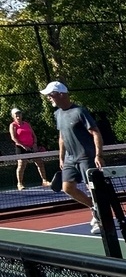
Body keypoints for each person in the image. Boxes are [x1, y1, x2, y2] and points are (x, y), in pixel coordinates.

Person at [39, 81, 103, 234]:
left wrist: (99, 155)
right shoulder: (57, 114)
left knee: (92, 189)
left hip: (86, 157)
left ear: (61, 94)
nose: (49, 98)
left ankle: (100, 219)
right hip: (69, 158)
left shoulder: (80, 111)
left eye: (50, 95)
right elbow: (61, 136)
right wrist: (61, 157)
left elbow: (96, 133)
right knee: (67, 188)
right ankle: (95, 209)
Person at [8, 107, 51, 190]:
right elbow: (14, 138)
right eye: (16, 114)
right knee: (21, 166)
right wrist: (23, 146)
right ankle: (20, 184)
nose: (18, 115)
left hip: (32, 147)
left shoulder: (27, 124)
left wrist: (34, 144)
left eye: (19, 113)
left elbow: (34, 135)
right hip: (20, 147)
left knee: (40, 163)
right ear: (13, 116)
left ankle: (44, 181)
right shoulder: (13, 125)